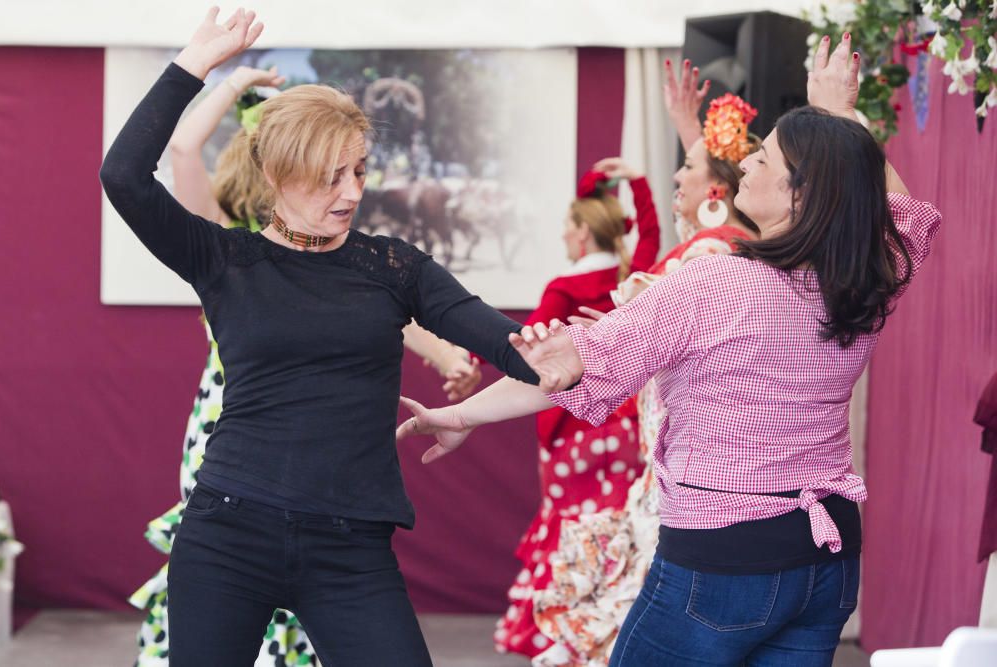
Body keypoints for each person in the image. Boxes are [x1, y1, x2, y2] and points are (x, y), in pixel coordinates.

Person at [397, 34, 942, 666]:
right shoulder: (863, 281)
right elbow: (906, 215)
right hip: (829, 557)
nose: (744, 166)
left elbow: (568, 361)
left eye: (762, 160)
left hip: (725, 558)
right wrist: (841, 115)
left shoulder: (714, 282)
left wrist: (460, 415)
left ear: (801, 194)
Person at [100, 9, 537, 666]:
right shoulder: (226, 259)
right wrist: (194, 63)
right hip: (227, 532)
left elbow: (503, 339)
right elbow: (124, 176)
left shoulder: (393, 266)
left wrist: (550, 352)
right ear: (276, 174)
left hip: (349, 548)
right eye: (330, 175)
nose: (351, 192)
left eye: (358, 171)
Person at [528, 61, 762, 667]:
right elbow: (706, 199)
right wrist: (687, 126)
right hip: (665, 453)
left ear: (716, 189)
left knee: (650, 611)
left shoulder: (713, 250)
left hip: (689, 461)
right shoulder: (713, 245)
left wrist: (606, 337)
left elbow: (662, 313)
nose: (676, 175)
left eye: (686, 167)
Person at [495, 160, 660, 658]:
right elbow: (651, 232)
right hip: (625, 427)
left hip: (574, 428)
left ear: (584, 233)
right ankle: (611, 636)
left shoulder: (562, 290)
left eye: (568, 226)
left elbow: (525, 357)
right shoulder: (632, 273)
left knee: (565, 526)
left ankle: (559, 637)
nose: (564, 235)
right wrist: (638, 184)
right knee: (618, 529)